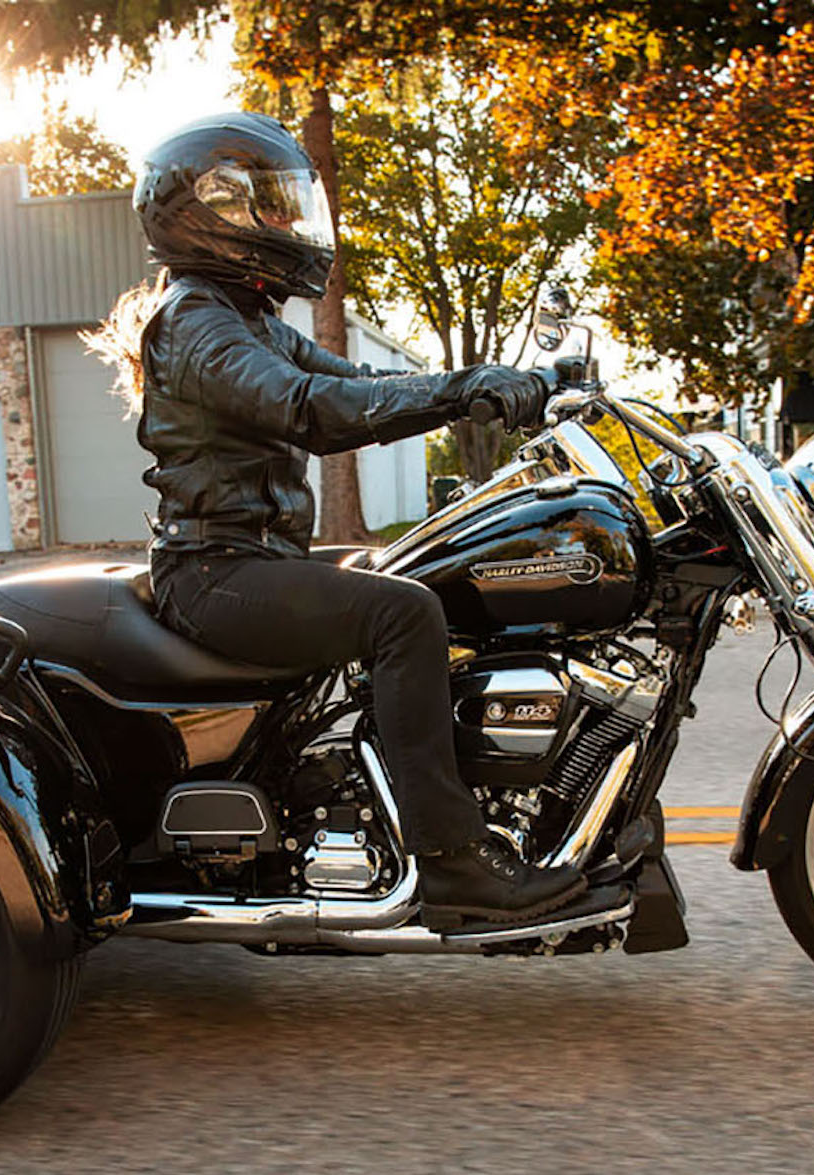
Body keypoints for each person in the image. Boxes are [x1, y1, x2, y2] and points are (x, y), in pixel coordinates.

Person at [91, 112, 584, 927]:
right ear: (214, 214)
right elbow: (315, 408)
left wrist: (507, 377)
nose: (290, 226)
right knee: (404, 613)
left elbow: (359, 380)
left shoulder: (245, 320)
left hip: (252, 560)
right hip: (215, 573)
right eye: (272, 207)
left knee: (416, 572)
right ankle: (451, 860)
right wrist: (466, 394)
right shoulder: (196, 322)